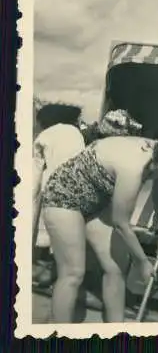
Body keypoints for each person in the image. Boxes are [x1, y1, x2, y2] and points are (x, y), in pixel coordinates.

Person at [41, 133, 158, 323]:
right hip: (64, 197)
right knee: (73, 273)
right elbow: (121, 224)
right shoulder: (133, 166)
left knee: (115, 268)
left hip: (96, 204)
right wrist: (142, 262)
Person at [32, 103, 85, 247]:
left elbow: (37, 169)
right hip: (74, 191)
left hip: (51, 190)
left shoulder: (46, 135)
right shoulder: (76, 134)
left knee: (39, 230)